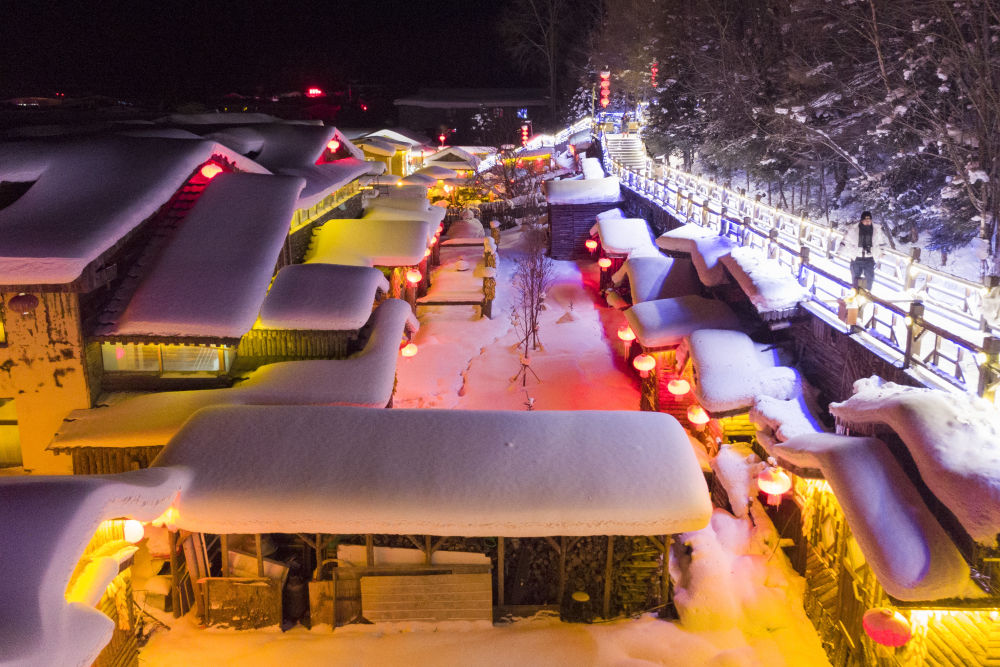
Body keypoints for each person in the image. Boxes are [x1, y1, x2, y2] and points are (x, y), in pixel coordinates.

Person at [842, 211, 881, 290]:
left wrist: (881, 252)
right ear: (861, 220)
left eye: (869, 220)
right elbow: (846, 241)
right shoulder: (854, 229)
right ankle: (855, 296)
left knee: (869, 279)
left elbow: (881, 242)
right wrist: (840, 251)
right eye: (866, 220)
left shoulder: (876, 230)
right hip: (857, 258)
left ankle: (867, 296)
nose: (867, 222)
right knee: (856, 280)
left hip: (869, 259)